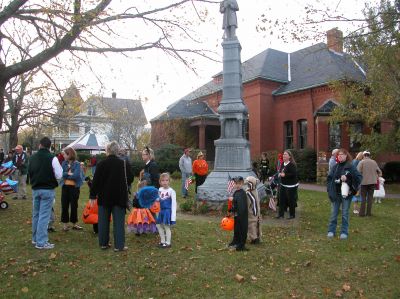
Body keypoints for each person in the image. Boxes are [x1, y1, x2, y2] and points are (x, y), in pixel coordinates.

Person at [89, 141, 134, 251]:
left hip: (104, 196)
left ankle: (103, 243)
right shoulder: (123, 163)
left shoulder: (101, 164)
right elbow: (131, 178)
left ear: (107, 150)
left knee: (103, 221)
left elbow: (96, 182)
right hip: (119, 196)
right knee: (119, 222)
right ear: (117, 151)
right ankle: (119, 246)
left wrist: (92, 195)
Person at [28, 137, 63, 249]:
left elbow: (30, 171)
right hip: (47, 189)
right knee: (44, 216)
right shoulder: (52, 158)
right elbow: (59, 174)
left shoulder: (32, 157)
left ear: (40, 145)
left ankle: (35, 238)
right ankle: (41, 242)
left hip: (36, 188)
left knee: (36, 214)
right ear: (49, 146)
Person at [327, 148, 362, 239]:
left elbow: (359, 178)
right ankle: (331, 231)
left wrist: (347, 179)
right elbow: (329, 179)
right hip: (336, 193)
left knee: (345, 214)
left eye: (342, 154)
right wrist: (329, 189)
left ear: (346, 156)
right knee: (334, 213)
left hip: (347, 194)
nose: (340, 156)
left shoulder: (351, 166)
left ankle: (344, 232)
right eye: (339, 155)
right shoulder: (335, 166)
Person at [60, 147, 84, 231]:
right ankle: (65, 225)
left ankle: (74, 224)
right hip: (65, 187)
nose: (63, 156)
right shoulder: (64, 163)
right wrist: (68, 173)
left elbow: (76, 175)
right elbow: (62, 174)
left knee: (74, 206)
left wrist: (67, 174)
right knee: (64, 205)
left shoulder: (77, 164)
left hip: (74, 188)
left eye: (64, 154)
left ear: (69, 154)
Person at [357, 150, 382, 217]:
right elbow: (380, 172)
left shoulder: (361, 162)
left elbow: (357, 172)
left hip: (364, 183)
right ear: (369, 155)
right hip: (372, 183)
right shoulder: (374, 162)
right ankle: (368, 213)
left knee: (363, 198)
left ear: (364, 155)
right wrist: (376, 176)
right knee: (370, 198)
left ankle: (362, 214)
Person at [275, 150, 299, 219]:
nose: (284, 155)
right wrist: (279, 174)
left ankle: (292, 215)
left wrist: (285, 175)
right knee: (281, 200)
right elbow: (281, 171)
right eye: (283, 154)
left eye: (285, 154)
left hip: (291, 186)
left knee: (291, 200)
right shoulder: (282, 164)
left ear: (289, 156)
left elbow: (293, 174)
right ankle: (281, 215)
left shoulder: (292, 164)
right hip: (283, 184)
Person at [156, 172, 177, 249]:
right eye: (163, 180)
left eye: (166, 180)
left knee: (166, 226)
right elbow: (158, 200)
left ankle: (168, 243)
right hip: (160, 211)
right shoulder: (160, 189)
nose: (165, 182)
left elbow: (174, 205)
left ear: (169, 181)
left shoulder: (172, 191)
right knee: (158, 225)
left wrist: (173, 217)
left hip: (167, 212)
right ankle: (163, 241)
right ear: (160, 182)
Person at [227, 176, 248, 251]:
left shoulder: (242, 193)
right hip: (236, 215)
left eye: (239, 183)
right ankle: (235, 241)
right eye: (236, 183)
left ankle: (241, 245)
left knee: (242, 229)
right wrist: (231, 211)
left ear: (242, 184)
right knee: (236, 229)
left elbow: (240, 202)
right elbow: (235, 204)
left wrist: (233, 199)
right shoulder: (236, 192)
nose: (237, 185)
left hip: (242, 216)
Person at [245, 176, 262, 245]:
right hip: (257, 211)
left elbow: (248, 203)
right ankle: (257, 236)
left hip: (252, 212)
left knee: (252, 224)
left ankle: (254, 238)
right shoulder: (255, 190)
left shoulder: (249, 193)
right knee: (256, 223)